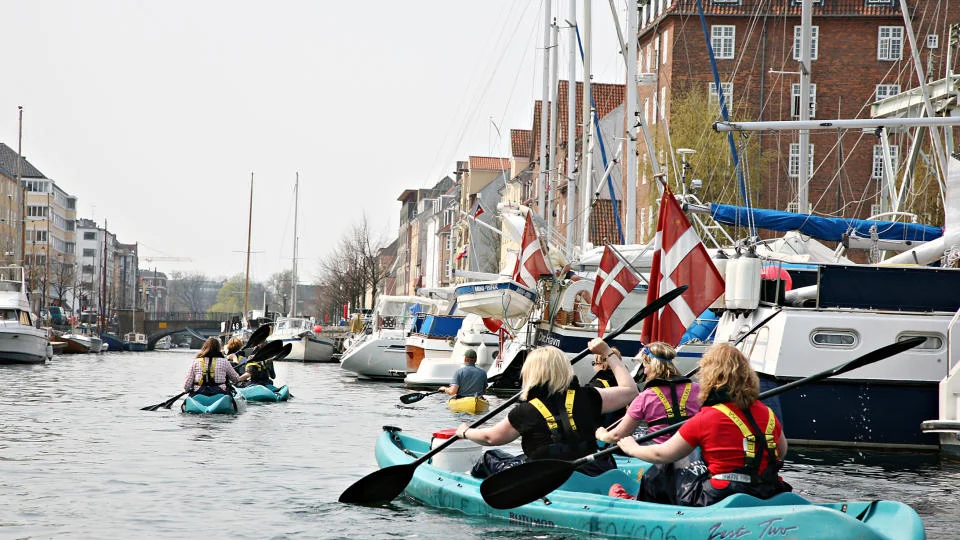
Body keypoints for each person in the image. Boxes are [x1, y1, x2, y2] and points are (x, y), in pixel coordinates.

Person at [611, 343, 792, 506]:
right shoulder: (768, 413)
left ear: (710, 376)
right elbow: (781, 451)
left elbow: (662, 454)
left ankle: (637, 505)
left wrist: (632, 448)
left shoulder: (706, 417)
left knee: (665, 467)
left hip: (721, 494)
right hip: (769, 489)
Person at [455, 341, 638, 478]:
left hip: (545, 477)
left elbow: (490, 438)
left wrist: (465, 432)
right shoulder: (589, 396)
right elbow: (631, 391)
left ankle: (466, 479)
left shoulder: (525, 411)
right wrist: (608, 353)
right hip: (590, 470)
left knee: (489, 458)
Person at [595, 341, 701, 503]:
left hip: (659, 462)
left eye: (645, 365)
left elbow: (618, 434)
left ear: (652, 365)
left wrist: (602, 434)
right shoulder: (697, 389)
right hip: (695, 460)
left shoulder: (646, 396)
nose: (644, 370)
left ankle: (632, 499)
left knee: (620, 487)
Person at [587, 346, 626, 427]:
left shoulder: (595, 386)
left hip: (605, 430)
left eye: (594, 363)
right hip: (625, 428)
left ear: (603, 366)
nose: (593, 366)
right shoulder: (627, 383)